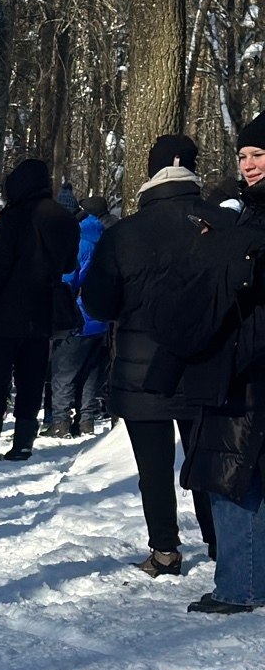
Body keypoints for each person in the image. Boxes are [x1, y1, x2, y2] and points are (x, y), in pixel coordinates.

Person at [81, 135, 227, 574]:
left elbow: (98, 303)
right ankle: (222, 545)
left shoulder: (124, 233)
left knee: (153, 466)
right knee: (208, 458)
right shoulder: (220, 225)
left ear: (151, 173)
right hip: (206, 362)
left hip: (141, 365)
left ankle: (165, 550)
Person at [143, 131, 265, 613]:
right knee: (239, 472)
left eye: (258, 154)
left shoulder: (244, 218)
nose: (249, 164)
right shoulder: (236, 209)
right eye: (243, 155)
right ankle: (246, 580)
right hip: (235, 362)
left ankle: (241, 586)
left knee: (232, 472)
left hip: (246, 364)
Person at [0, 158, 79, 462]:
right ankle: (24, 442)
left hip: (6, 311)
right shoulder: (64, 218)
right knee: (32, 377)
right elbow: (69, 265)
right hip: (42, 310)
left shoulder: (13, 219)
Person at [43, 196, 111, 438]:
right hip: (101, 318)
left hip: (77, 316)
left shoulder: (80, 240)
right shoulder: (106, 238)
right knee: (91, 373)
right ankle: (86, 421)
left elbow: (69, 279)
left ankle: (60, 422)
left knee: (64, 372)